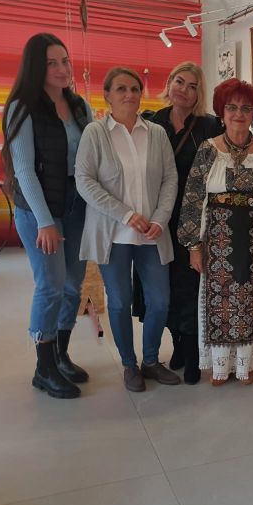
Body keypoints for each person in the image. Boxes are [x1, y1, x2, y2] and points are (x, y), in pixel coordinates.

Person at [75, 67, 181, 393]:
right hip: (114, 236)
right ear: (107, 94)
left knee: (160, 301)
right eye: (121, 88)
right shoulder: (95, 133)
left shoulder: (156, 133)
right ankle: (129, 364)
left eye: (134, 89)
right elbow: (84, 181)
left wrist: (160, 219)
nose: (129, 95)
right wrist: (125, 214)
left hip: (153, 234)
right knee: (119, 302)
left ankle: (150, 360)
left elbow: (170, 178)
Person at [178, 79, 253, 386]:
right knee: (219, 305)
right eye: (231, 107)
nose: (238, 114)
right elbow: (193, 198)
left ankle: (244, 367)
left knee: (249, 305)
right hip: (216, 242)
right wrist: (194, 246)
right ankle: (219, 367)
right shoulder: (208, 150)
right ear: (221, 113)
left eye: (245, 108)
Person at [2, 33, 92, 399]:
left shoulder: (79, 105)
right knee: (51, 286)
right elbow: (24, 170)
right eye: (52, 63)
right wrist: (45, 221)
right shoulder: (22, 107)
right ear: (36, 68)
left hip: (76, 204)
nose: (61, 69)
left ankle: (60, 354)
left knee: (73, 284)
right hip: (39, 207)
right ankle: (44, 368)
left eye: (65, 61)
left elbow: (90, 159)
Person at [135, 62, 222, 385]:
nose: (184, 90)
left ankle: (193, 350)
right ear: (169, 83)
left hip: (196, 218)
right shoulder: (150, 123)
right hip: (158, 217)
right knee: (162, 286)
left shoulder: (209, 126)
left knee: (191, 285)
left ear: (200, 93)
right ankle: (178, 344)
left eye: (192, 86)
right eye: (179, 82)